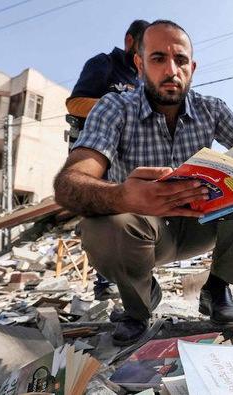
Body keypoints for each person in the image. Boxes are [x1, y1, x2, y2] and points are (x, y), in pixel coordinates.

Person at [54, 20, 233, 346]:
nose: (171, 70)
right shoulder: (114, 108)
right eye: (158, 58)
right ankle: (139, 307)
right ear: (139, 64)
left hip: (201, 223)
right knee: (101, 227)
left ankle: (217, 291)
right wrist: (123, 196)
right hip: (144, 229)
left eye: (181, 60)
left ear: (192, 67)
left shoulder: (211, 109)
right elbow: (70, 182)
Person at [66, 19, 150, 301]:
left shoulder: (140, 78)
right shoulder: (103, 63)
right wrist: (116, 107)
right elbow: (75, 103)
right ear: (130, 42)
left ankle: (134, 278)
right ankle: (106, 284)